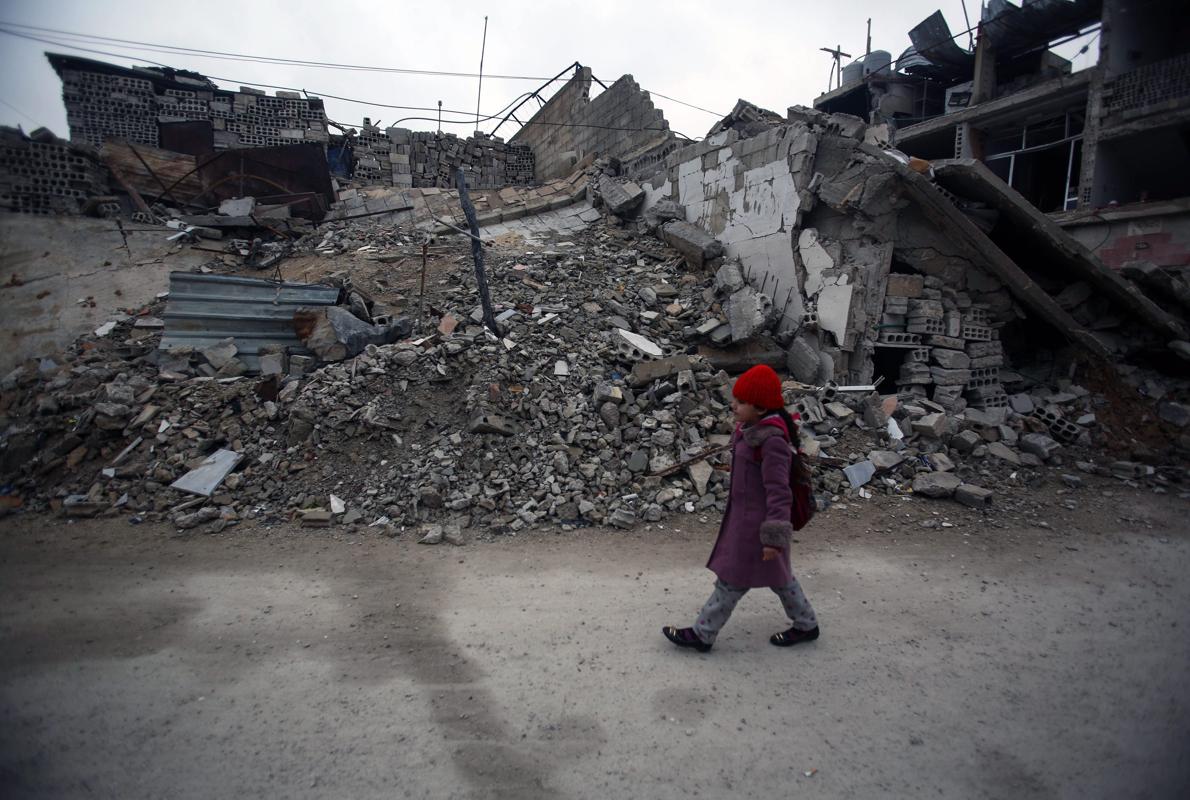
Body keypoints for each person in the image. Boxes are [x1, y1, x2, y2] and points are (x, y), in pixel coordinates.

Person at [663, 364, 819, 653]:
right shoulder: (750, 429)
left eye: (741, 402)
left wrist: (773, 537)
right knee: (781, 579)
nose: (733, 405)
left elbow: (779, 492)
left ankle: (702, 634)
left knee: (731, 581)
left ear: (760, 408)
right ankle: (807, 624)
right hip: (745, 521)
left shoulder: (771, 442)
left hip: (757, 528)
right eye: (735, 399)